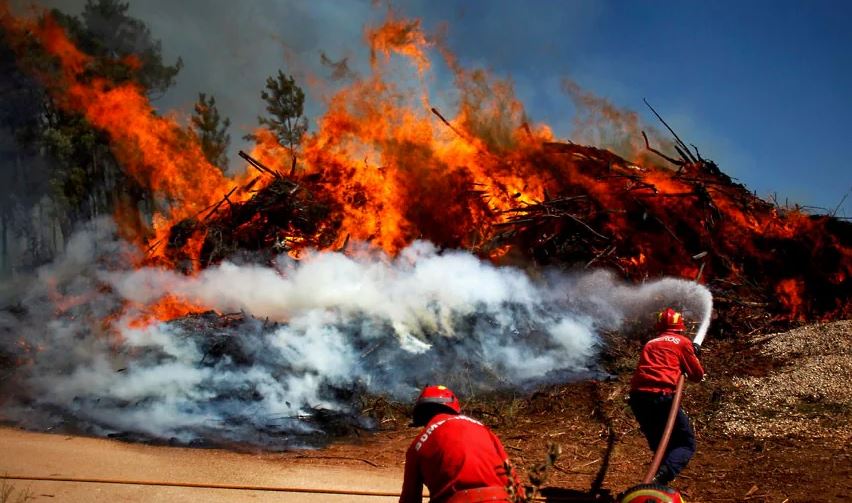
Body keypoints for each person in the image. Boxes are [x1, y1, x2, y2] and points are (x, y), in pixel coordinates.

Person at [399, 385, 524, 503]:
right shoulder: (484, 430)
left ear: (422, 416)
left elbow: (409, 499)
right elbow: (513, 480)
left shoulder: (417, 445)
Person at [628, 308, 704, 486]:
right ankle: (657, 481)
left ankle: (654, 487)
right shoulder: (682, 342)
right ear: (680, 326)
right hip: (661, 398)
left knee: (660, 446)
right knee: (686, 444)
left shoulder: (651, 343)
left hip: (638, 399)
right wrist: (694, 354)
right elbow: (697, 375)